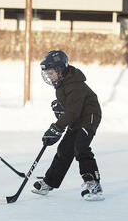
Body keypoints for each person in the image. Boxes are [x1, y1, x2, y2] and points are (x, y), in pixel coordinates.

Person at [32, 50, 104, 201]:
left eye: (51, 73)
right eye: (48, 74)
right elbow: (70, 109)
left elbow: (72, 111)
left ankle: (94, 184)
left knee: (80, 147)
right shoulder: (61, 84)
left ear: (60, 70)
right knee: (64, 150)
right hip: (76, 117)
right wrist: (60, 113)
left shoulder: (75, 84)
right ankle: (49, 182)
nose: (49, 77)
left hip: (89, 117)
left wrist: (57, 126)